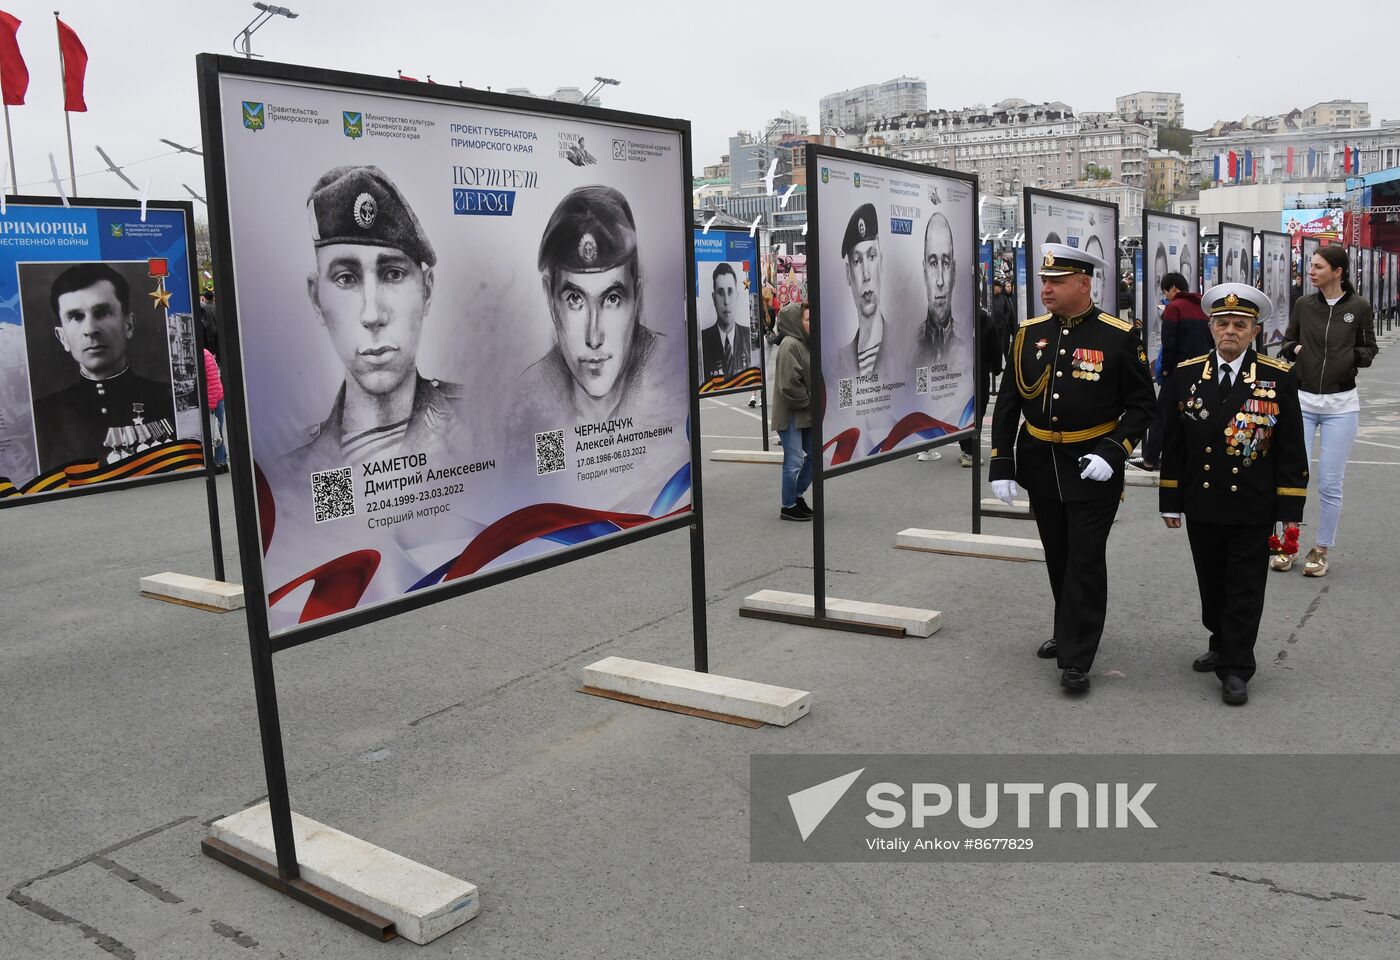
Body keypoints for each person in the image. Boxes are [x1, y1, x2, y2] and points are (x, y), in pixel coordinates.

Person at [989, 243, 1155, 694]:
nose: (1046, 288)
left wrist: (1115, 450)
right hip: (1042, 463)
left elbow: (1143, 406)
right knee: (1059, 555)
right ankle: (1068, 628)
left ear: (1084, 284)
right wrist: (1001, 462)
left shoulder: (1117, 336)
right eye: (1044, 281)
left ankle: (1077, 657)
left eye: (1056, 281)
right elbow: (1008, 404)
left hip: (1092, 465)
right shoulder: (1029, 333)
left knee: (1084, 558)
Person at [1159, 284, 1307, 705]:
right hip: (1202, 501)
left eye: (1239, 325)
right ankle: (1221, 639)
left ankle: (1237, 666)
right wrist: (1170, 499)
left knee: (1244, 587)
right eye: (1222, 324)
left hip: (1251, 503)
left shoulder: (1276, 377)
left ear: (1255, 331)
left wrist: (1289, 509)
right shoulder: (1188, 373)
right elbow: (1175, 442)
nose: (1230, 331)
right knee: (1212, 584)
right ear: (1210, 327)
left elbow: (1291, 447)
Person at [289, 164, 463, 474]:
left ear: (427, 290)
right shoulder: (292, 471)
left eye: (393, 274)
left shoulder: (482, 423)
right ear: (317, 299)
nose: (372, 315)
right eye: (346, 278)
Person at [519, 184, 661, 425]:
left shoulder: (668, 372)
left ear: (636, 296)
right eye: (576, 299)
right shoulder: (524, 402)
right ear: (550, 299)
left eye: (612, 299)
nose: (594, 338)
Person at [1278, 245, 1378, 577]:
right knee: (1293, 475)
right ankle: (1288, 542)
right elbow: (1286, 343)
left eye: (1318, 266)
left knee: (1330, 483)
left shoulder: (1359, 307)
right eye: (1311, 265)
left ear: (1337, 271)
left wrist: (1349, 357)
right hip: (1302, 402)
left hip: (1341, 406)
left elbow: (1369, 348)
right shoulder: (1304, 305)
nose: (1311, 270)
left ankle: (1320, 549)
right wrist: (1297, 349)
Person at [32, 262, 177, 471]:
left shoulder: (167, 399)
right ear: (62, 337)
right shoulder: (43, 415)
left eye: (102, 312)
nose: (90, 329)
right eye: (75, 316)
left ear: (128, 325)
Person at [1134, 271, 1212, 470]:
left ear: (1174, 289)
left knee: (1161, 416)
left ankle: (1150, 459)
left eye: (1165, 292)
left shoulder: (1174, 308)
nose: (1165, 297)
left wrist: (1166, 369)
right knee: (1195, 414)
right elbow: (1211, 341)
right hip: (1200, 371)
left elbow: (1169, 344)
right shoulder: (1203, 308)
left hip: (1177, 372)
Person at [832, 203, 895, 382]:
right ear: (848, 274)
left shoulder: (904, 347)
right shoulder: (839, 362)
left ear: (881, 263)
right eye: (857, 261)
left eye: (872, 257)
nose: (866, 275)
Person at [772, 301, 812, 521]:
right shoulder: (790, 345)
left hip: (804, 413)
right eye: (807, 319)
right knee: (794, 461)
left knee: (815, 455)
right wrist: (810, 401)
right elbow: (789, 385)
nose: (811, 323)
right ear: (797, 322)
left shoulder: (805, 343)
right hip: (790, 415)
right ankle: (788, 505)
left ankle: (797, 495)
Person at [911, 213, 962, 368]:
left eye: (945, 263)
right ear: (924, 271)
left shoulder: (967, 342)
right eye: (933, 263)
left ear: (954, 272)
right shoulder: (909, 347)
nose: (940, 281)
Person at [957, 292, 1000, 468]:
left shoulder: (957, 319)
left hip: (959, 374)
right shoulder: (985, 319)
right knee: (978, 411)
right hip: (979, 372)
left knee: (963, 412)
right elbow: (995, 347)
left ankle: (965, 448)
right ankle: (969, 452)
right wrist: (996, 368)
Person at [700, 262, 752, 383]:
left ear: (737, 296)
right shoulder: (702, 341)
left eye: (730, 292)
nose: (726, 301)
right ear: (713, 298)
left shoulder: (748, 337)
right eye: (721, 292)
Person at [204, 347, 227, 470]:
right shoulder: (205, 354)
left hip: (216, 399)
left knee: (216, 432)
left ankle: (218, 463)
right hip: (217, 398)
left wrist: (211, 405)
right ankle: (222, 460)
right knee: (218, 431)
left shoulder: (204, 355)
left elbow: (213, 381)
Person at [200, 289, 220, 361]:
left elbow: (208, 324)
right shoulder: (216, 306)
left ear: (205, 298)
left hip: (211, 335)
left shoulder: (205, 308)